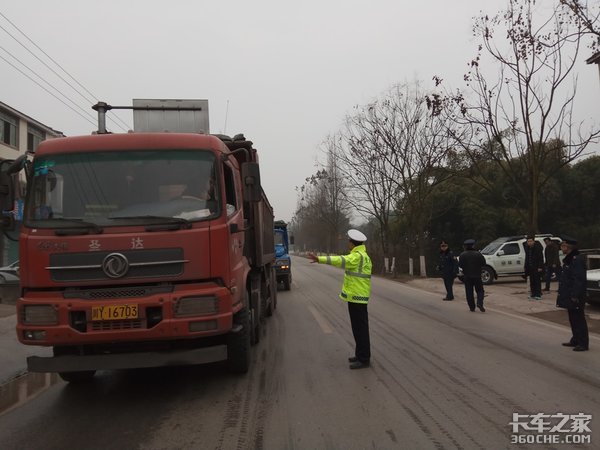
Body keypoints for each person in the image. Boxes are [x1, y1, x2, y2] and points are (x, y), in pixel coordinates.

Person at [308, 229, 373, 369]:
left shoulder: (358, 256)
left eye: (349, 241)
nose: (347, 243)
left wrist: (320, 259)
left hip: (358, 297)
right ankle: (360, 354)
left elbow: (340, 260)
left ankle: (364, 359)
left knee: (360, 329)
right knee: (358, 328)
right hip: (356, 297)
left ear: (352, 243)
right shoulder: (361, 255)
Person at [556, 236, 589, 352]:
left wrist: (575, 295)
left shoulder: (577, 259)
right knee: (572, 318)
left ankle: (583, 342)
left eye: (562, 246)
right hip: (570, 294)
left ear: (567, 247)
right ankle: (575, 339)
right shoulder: (569, 259)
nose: (561, 248)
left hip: (576, 295)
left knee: (578, 318)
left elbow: (578, 279)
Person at [459, 239, 486, 312]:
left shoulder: (462, 255)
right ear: (473, 245)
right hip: (477, 275)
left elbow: (460, 265)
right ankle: (479, 302)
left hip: (467, 276)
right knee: (480, 290)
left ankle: (472, 307)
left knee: (469, 291)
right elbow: (484, 263)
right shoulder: (478, 254)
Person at [524, 235, 544, 300]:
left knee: (537, 281)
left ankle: (538, 294)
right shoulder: (527, 248)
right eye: (528, 241)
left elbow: (540, 258)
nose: (529, 242)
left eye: (531, 241)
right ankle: (533, 294)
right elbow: (527, 258)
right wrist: (526, 266)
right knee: (532, 281)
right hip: (530, 267)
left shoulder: (537, 248)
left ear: (533, 241)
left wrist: (540, 266)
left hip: (536, 267)